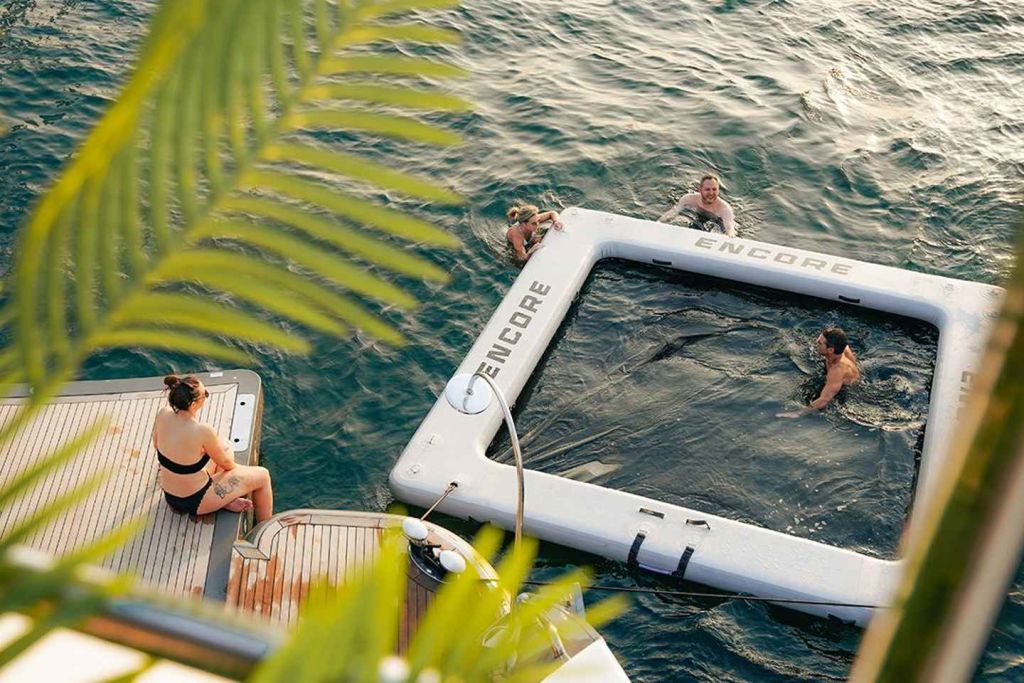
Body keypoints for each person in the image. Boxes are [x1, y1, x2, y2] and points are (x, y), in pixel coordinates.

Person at [153, 374, 274, 521]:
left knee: (225, 446)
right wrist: (240, 473)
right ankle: (264, 527)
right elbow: (227, 464)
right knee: (263, 476)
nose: (206, 396)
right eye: (205, 394)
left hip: (170, 496)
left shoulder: (163, 413)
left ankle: (223, 501)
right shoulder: (202, 430)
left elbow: (156, 444)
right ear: (193, 405)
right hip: (195, 501)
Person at [777, 327, 861, 418]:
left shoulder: (837, 371)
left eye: (820, 343)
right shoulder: (841, 348)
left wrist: (798, 413)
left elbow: (824, 400)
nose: (817, 342)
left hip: (847, 389)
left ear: (830, 350)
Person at [658, 174, 737, 237]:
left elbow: (729, 227)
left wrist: (730, 236)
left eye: (714, 189)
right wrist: (659, 223)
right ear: (700, 190)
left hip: (716, 222)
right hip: (696, 217)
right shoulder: (688, 199)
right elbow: (673, 212)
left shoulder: (724, 209)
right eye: (707, 189)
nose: (711, 193)